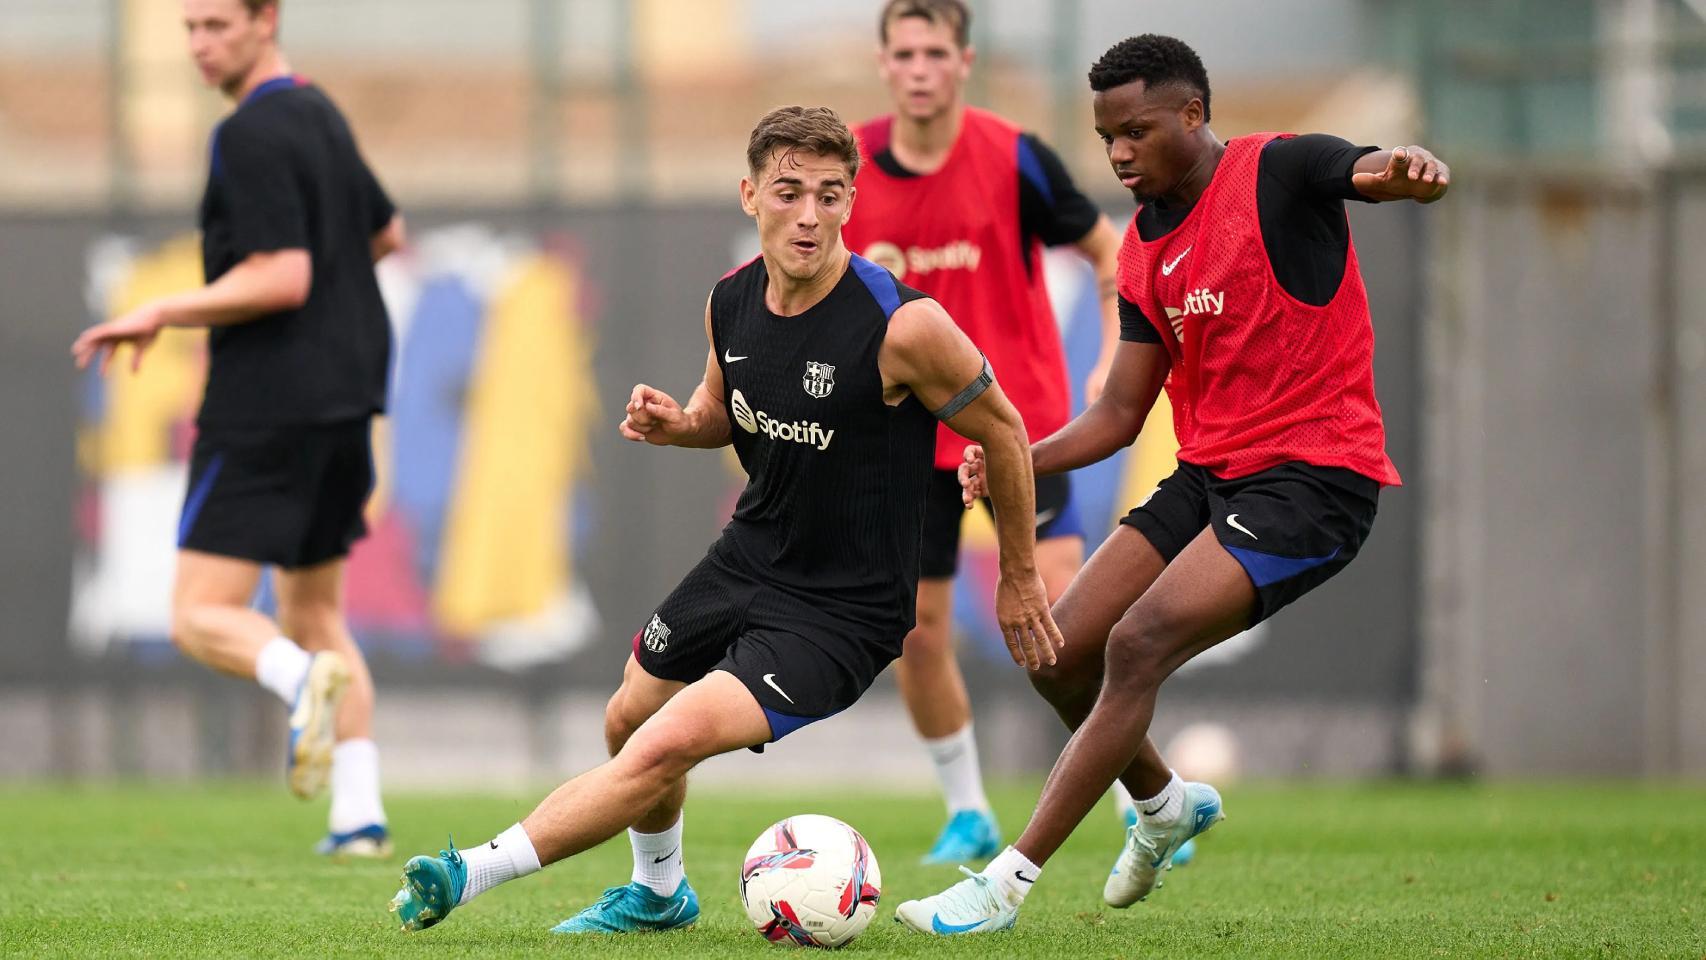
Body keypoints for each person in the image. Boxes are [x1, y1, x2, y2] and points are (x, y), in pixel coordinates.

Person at [385, 105, 1062, 937]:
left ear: (851, 203)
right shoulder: (731, 300)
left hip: (842, 609)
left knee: (664, 742)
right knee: (627, 716)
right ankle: (660, 893)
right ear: (750, 195)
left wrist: (1020, 575)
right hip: (748, 559)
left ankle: (469, 872)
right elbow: (721, 409)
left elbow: (1005, 430)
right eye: (788, 192)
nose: (809, 215)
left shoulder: (903, 326)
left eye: (829, 195)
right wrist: (681, 423)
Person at [896, 33, 1449, 934]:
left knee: (1138, 642)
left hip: (1314, 479)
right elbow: (1120, 412)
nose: (1119, 153)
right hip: (1210, 477)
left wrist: (1405, 169)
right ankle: (1163, 805)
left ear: (1193, 114)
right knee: (1057, 653)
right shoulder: (1143, 252)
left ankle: (1004, 885)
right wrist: (1014, 456)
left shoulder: (1278, 170)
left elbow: (1366, 169)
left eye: (1136, 131)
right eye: (1107, 137)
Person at [71, 0, 405, 857]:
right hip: (348, 398)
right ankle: (358, 818)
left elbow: (283, 276)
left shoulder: (249, 131)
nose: (198, 43)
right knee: (315, 612)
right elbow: (386, 232)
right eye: (189, 27)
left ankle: (301, 682)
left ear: (267, 20)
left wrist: (161, 310)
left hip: (268, 403)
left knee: (199, 615)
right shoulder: (320, 112)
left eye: (216, 24)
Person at [842, 0, 1130, 865]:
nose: (920, 68)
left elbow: (1109, 252)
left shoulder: (1015, 158)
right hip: (904, 439)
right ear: (884, 63)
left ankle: (1137, 798)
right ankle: (968, 809)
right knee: (914, 632)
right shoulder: (846, 167)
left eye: (936, 51)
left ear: (964, 62)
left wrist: (1111, 360)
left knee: (1063, 619)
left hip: (1016, 431)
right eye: (905, 53)